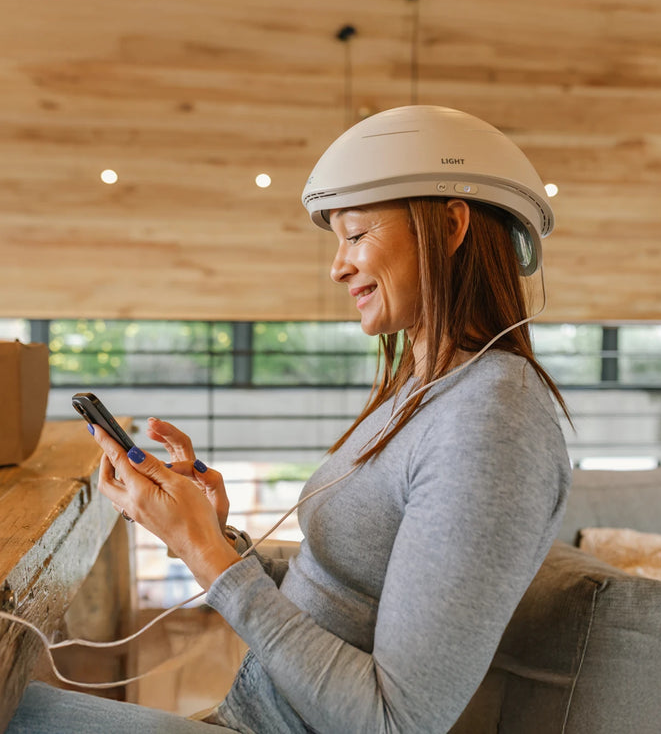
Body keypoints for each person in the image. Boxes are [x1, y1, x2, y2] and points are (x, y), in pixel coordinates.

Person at [8, 105, 572, 734]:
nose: (338, 266)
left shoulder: (494, 425)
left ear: (449, 226)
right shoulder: (424, 390)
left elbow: (398, 722)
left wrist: (204, 556)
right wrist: (216, 535)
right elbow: (342, 587)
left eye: (356, 235)